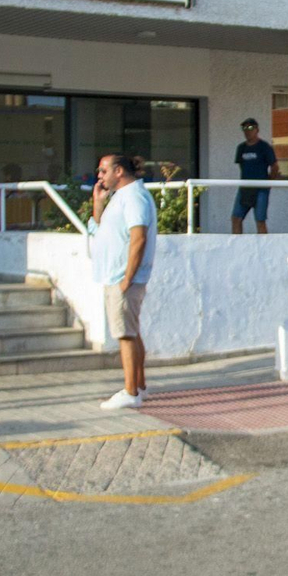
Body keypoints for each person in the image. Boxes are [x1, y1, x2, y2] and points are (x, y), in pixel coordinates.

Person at [90, 153, 157, 409]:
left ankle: (130, 392)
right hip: (116, 276)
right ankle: (139, 387)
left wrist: (127, 278)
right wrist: (98, 203)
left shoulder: (134, 197)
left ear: (118, 171)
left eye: (103, 170)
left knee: (126, 335)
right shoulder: (120, 197)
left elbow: (138, 238)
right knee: (132, 332)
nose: (99, 176)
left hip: (123, 277)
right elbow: (102, 229)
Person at [231, 117, 279, 234]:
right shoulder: (241, 148)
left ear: (257, 129)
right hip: (245, 188)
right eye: (244, 128)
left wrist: (269, 182)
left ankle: (263, 245)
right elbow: (241, 165)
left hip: (261, 189)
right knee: (236, 218)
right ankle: (237, 243)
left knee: (260, 220)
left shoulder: (264, 147)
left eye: (250, 128)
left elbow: (274, 166)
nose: (247, 131)